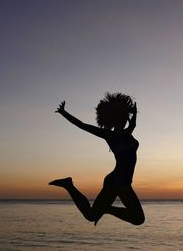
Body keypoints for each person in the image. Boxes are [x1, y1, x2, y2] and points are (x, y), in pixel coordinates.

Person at [49, 92, 145, 226]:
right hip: (116, 181)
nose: (125, 120)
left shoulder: (127, 133)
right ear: (115, 119)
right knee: (91, 215)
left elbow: (133, 124)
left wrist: (133, 113)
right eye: (122, 118)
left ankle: (106, 209)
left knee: (138, 219)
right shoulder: (109, 135)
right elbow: (82, 125)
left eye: (125, 117)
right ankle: (69, 185)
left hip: (124, 182)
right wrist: (64, 113)